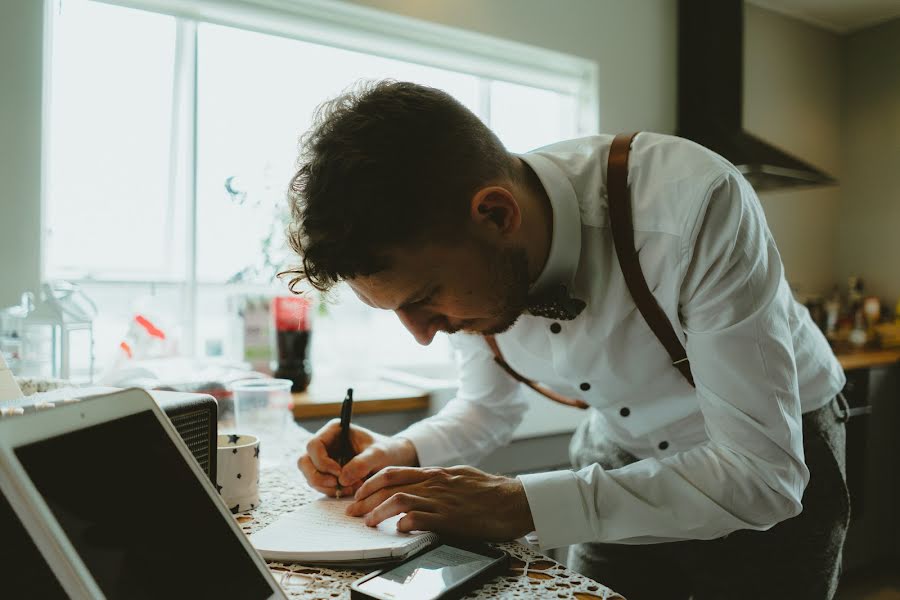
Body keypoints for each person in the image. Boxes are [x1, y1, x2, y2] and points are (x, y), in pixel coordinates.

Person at [283, 80, 849, 599]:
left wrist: (522, 503)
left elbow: (761, 476)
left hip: (780, 441)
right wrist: (396, 453)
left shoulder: (690, 202)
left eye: (425, 296)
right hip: (618, 448)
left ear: (497, 215)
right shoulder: (464, 257)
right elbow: (487, 408)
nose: (423, 334)